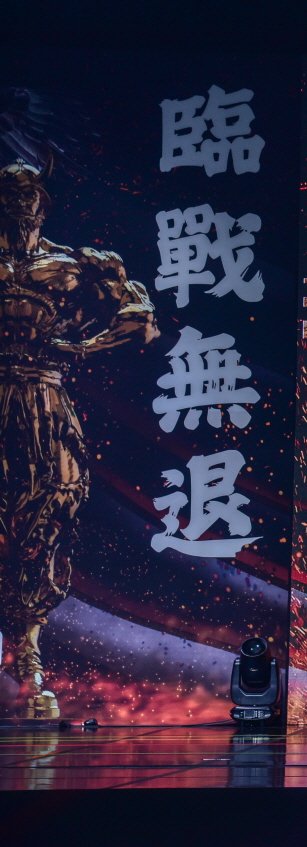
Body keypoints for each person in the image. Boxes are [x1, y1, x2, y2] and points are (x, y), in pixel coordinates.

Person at [0, 158, 157, 718]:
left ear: (42, 203)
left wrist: (86, 347)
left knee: (53, 508)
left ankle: (28, 655)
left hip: (44, 400)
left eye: (29, 194)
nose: (21, 204)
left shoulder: (72, 264)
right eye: (10, 194)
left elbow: (142, 317)